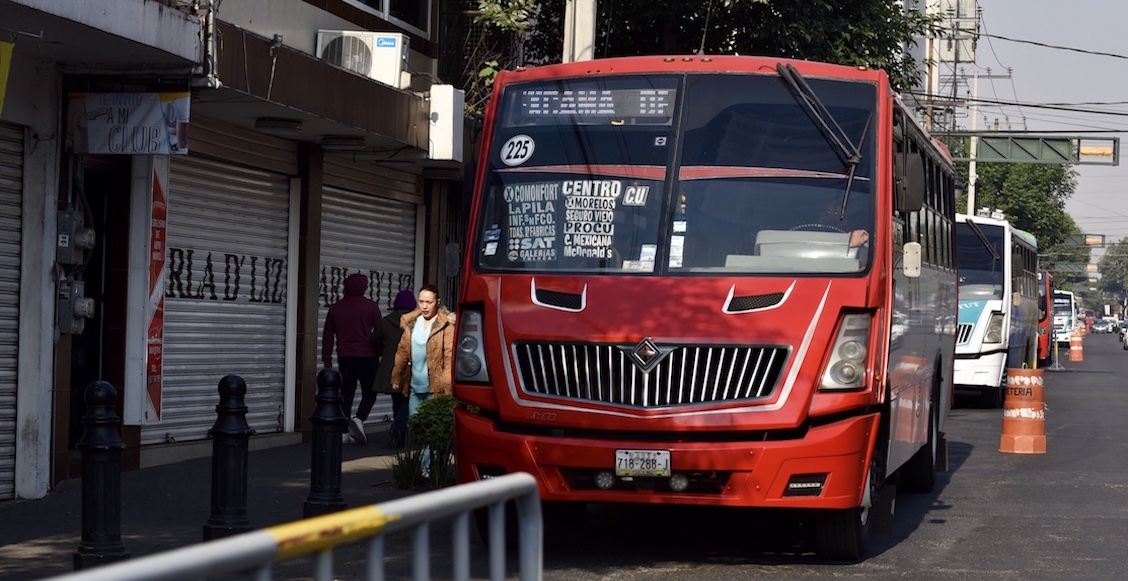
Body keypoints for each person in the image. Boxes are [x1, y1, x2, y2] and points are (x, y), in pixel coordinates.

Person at [391, 283, 456, 473]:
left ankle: (427, 468)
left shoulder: (446, 326)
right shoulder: (412, 323)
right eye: (421, 302)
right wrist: (396, 375)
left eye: (429, 302)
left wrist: (447, 384)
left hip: (435, 386)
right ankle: (427, 465)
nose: (425, 306)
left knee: (431, 430)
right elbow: (402, 352)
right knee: (417, 428)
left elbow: (449, 356)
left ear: (437, 302)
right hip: (414, 385)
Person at [321, 272, 382, 445]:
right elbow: (379, 332)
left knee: (346, 393)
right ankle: (360, 418)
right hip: (368, 356)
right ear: (363, 287)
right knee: (370, 391)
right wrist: (379, 352)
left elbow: (328, 335)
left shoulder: (336, 308)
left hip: (345, 356)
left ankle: (342, 432)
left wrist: (327, 359)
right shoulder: (371, 307)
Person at [374, 289, 417, 448]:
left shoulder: (386, 322)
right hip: (411, 368)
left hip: (391, 369)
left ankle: (399, 434)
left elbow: (374, 339)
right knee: (407, 401)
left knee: (397, 401)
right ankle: (398, 429)